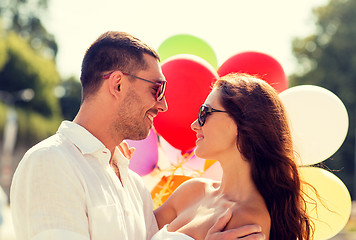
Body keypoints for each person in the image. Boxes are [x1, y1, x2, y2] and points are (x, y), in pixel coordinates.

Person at [10, 31, 264, 240]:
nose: (163, 105)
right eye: (157, 88)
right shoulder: (51, 162)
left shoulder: (133, 184)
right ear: (117, 84)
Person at [154, 73, 314, 240]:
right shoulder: (191, 191)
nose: (194, 125)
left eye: (204, 112)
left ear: (241, 122)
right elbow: (129, 231)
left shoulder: (249, 221)